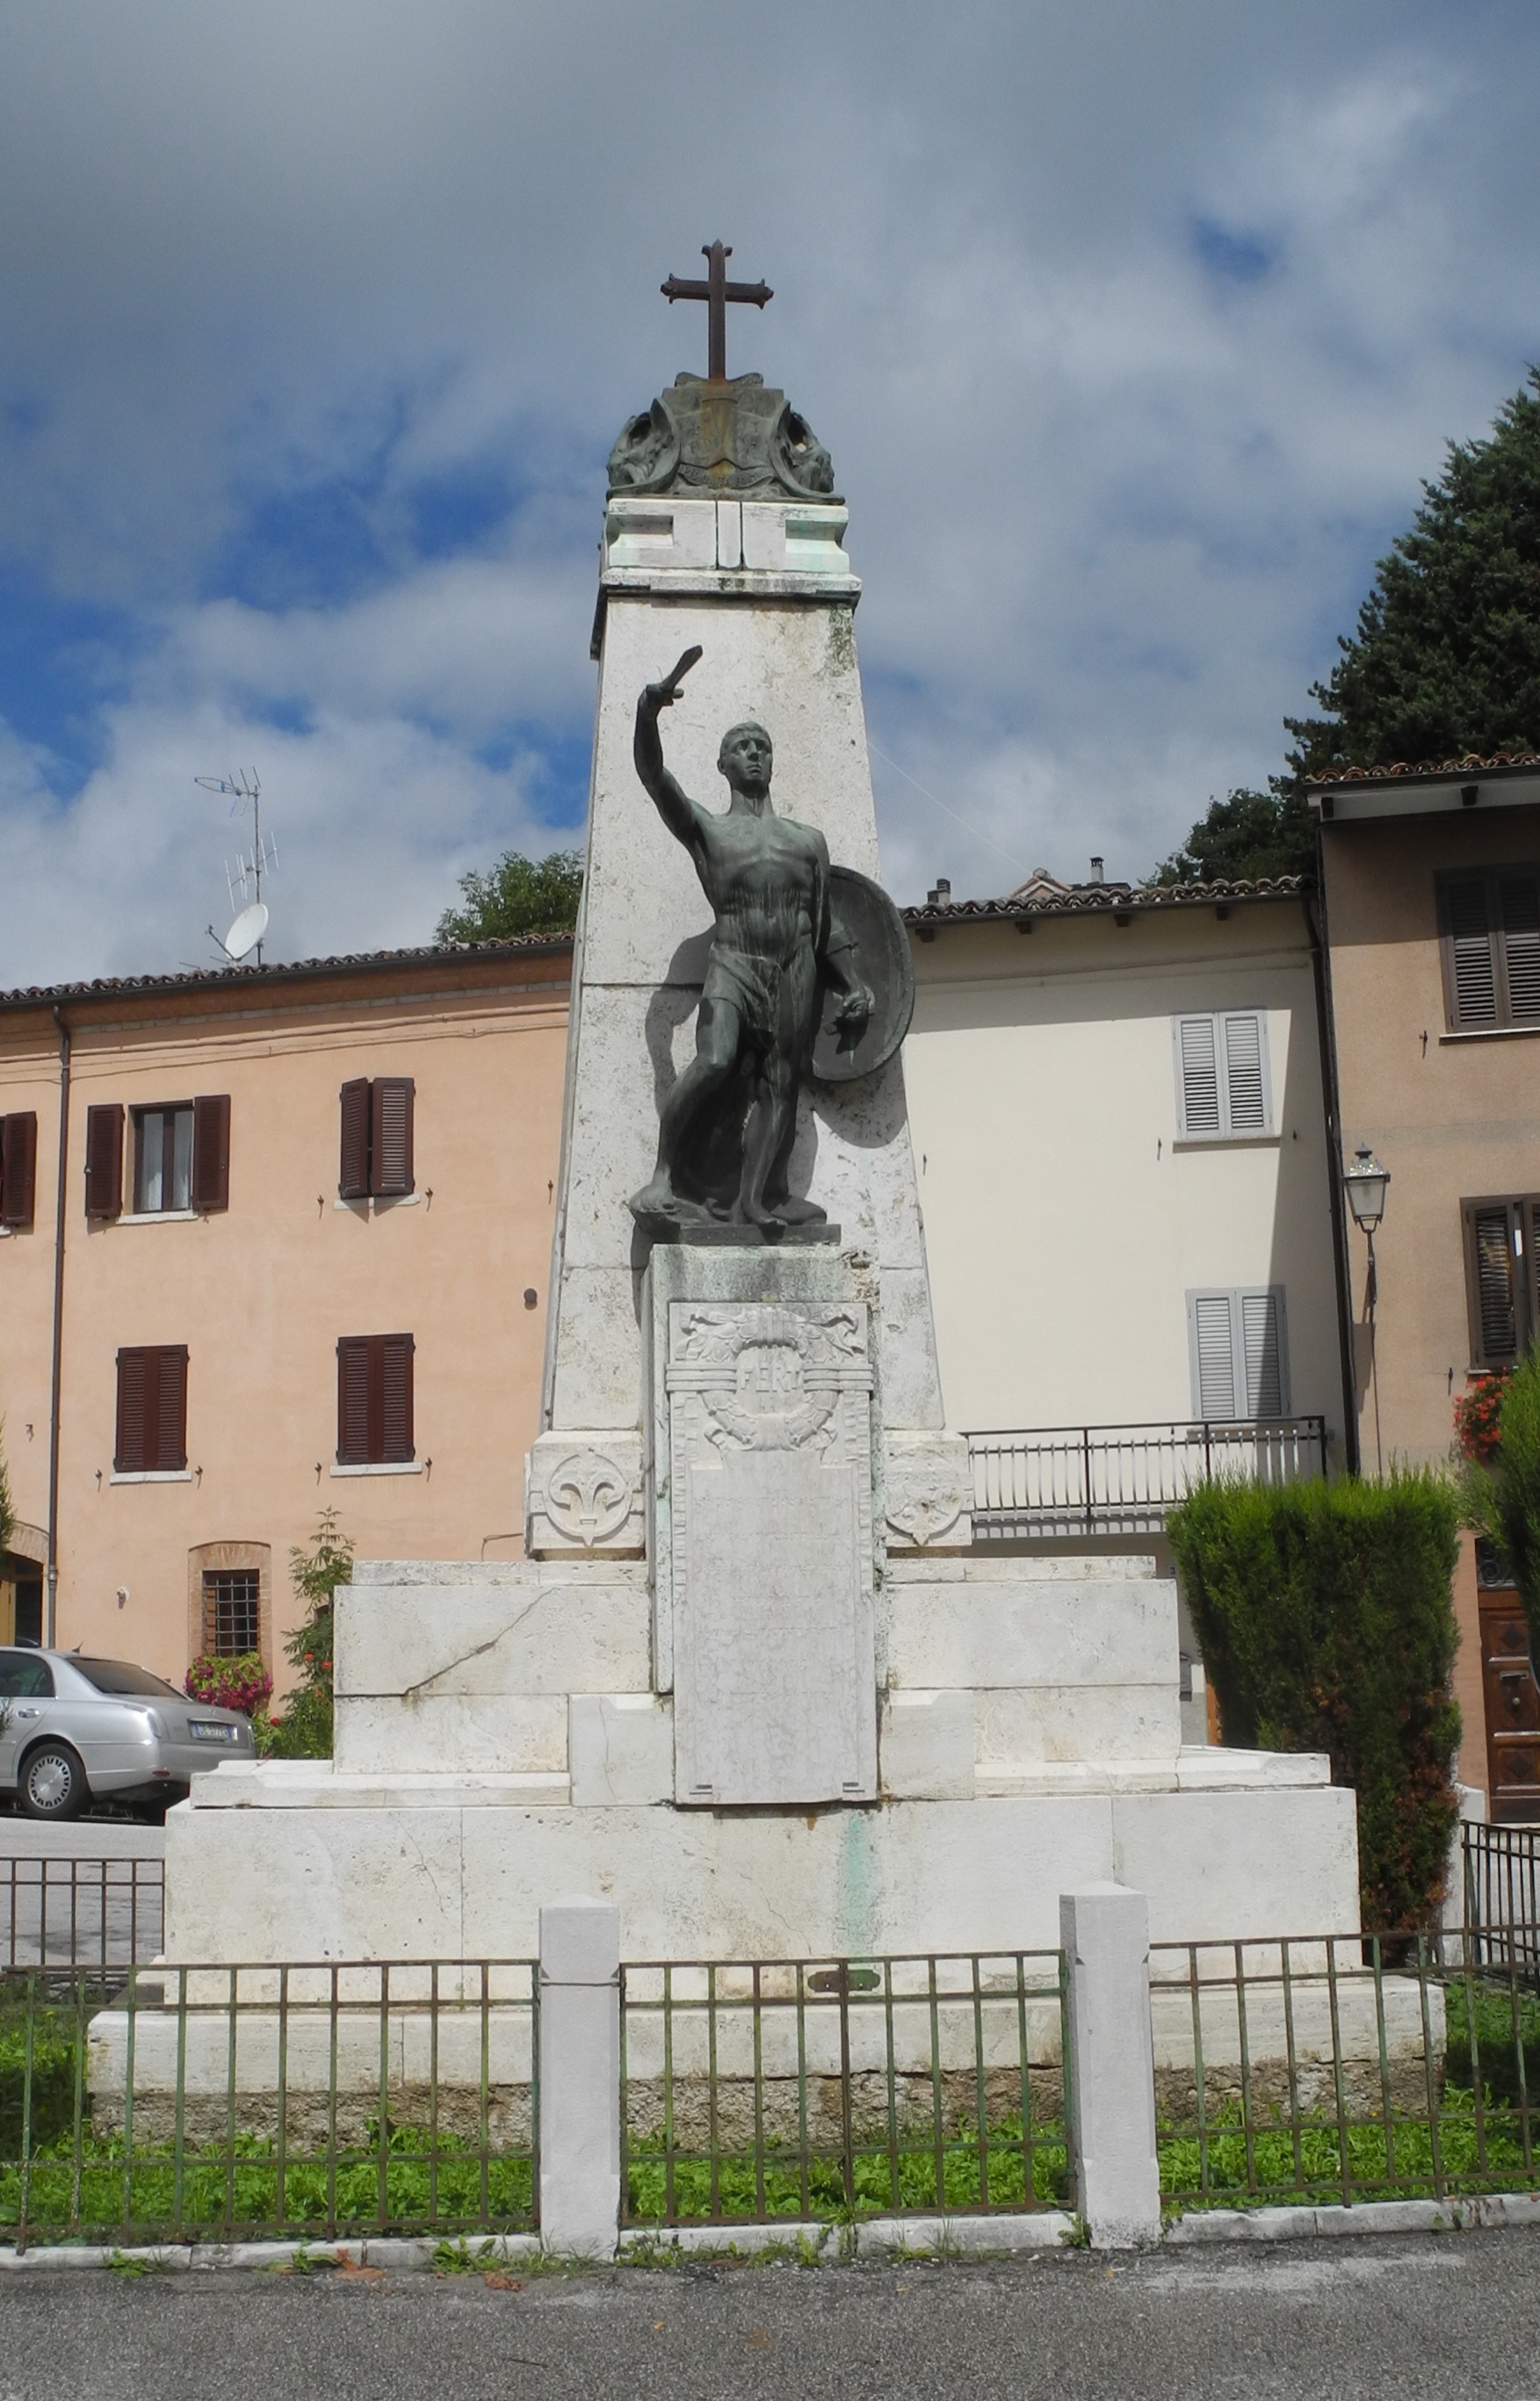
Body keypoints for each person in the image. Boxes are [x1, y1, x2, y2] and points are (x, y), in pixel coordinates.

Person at [628, 647, 872, 1233]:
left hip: (792, 967)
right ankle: (664, 1176)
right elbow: (653, 778)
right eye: (743, 747)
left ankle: (757, 1198)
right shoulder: (709, 831)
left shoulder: (806, 840)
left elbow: (823, 922)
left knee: (781, 1084)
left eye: (762, 746)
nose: (755, 754)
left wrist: (852, 984)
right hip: (734, 960)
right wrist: (646, 713)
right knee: (713, 1060)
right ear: (722, 764)